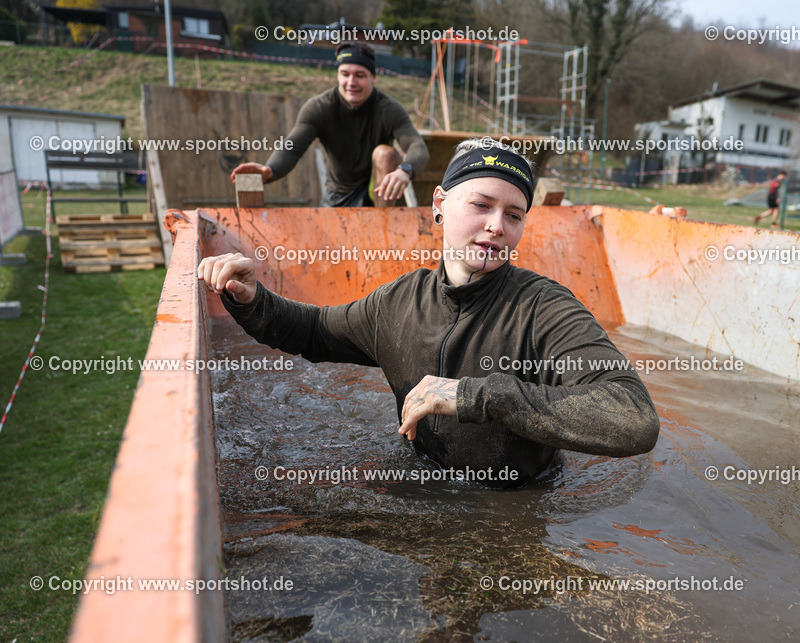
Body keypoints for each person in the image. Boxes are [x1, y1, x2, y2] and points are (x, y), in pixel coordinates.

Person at [200, 139, 660, 486]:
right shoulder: (399, 302)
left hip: (515, 507)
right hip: (421, 484)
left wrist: (475, 397)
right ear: (439, 205)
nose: (497, 226)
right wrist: (251, 298)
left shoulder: (543, 309)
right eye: (481, 205)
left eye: (515, 215)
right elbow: (316, 331)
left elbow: (633, 416)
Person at [230, 42, 428, 207]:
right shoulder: (319, 107)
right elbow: (292, 147)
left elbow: (417, 147)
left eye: (360, 75)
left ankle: (384, 226)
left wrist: (405, 170)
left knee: (386, 153)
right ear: (338, 76)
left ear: (373, 78)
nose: (351, 82)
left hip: (376, 194)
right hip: (337, 196)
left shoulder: (389, 109)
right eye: (345, 74)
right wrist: (269, 170)